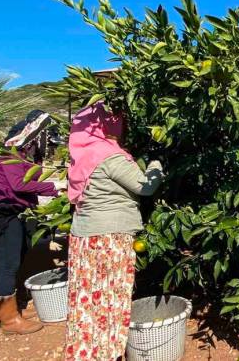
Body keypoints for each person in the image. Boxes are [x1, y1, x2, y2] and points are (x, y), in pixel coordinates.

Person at [65, 102, 164, 360]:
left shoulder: (81, 154)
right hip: (109, 238)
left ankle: (85, 352)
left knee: (87, 301)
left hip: (84, 238)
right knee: (111, 299)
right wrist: (155, 165)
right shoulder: (109, 154)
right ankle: (108, 353)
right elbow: (145, 186)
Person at [0, 110, 58, 334]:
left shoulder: (27, 152)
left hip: (21, 211)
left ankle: (10, 308)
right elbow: (19, 184)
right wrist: (55, 187)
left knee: (17, 257)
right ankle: (9, 321)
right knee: (8, 264)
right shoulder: (10, 151)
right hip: (6, 213)